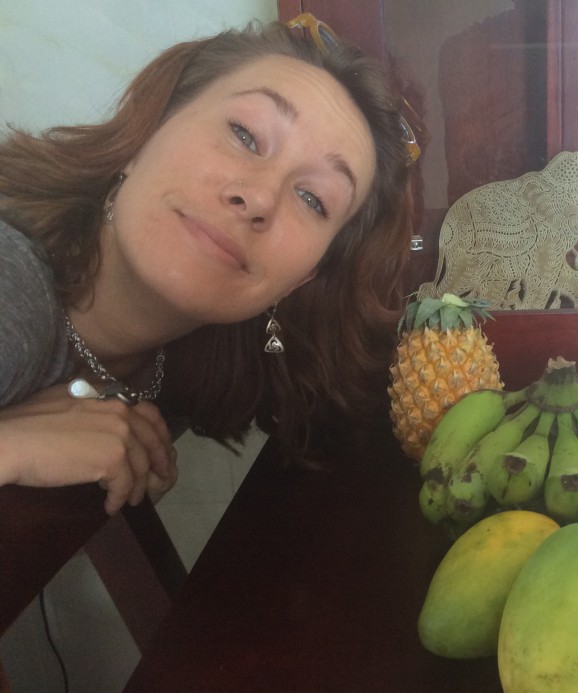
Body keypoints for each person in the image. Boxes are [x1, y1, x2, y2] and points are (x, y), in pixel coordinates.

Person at [0, 16, 415, 515]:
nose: (260, 196)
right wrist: (11, 450)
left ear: (303, 276)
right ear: (145, 130)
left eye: (313, 198)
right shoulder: (14, 282)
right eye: (244, 134)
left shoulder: (189, 361)